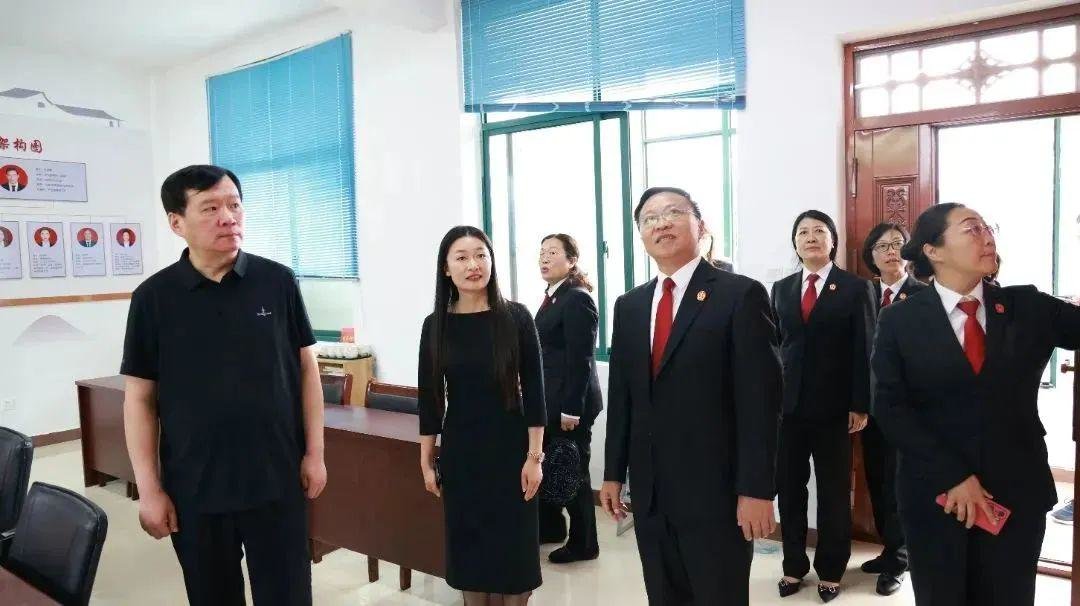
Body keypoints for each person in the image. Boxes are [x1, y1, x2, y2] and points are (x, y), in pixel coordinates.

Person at [120, 164, 325, 606]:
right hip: (195, 488)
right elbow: (139, 399)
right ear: (177, 223)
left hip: (276, 479)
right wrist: (149, 490)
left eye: (234, 205)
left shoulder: (277, 282)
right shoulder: (154, 298)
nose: (228, 217)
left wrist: (316, 453)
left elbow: (306, 370)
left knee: (288, 596)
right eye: (210, 208)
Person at [872, 203, 1080, 605]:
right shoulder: (900, 321)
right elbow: (891, 407)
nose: (987, 237)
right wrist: (953, 476)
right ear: (933, 250)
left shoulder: (1027, 306)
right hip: (936, 493)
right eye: (972, 229)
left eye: (988, 228)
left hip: (1015, 490)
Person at [601, 186, 782, 605]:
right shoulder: (630, 306)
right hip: (651, 492)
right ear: (641, 235)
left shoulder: (740, 295)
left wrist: (757, 490)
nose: (661, 223)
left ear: (700, 226)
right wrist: (613, 472)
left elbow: (761, 402)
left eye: (673, 212)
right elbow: (623, 398)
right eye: (649, 218)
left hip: (717, 494)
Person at [418, 225, 546, 605]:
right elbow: (430, 399)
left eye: (481, 255)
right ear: (446, 268)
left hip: (512, 452)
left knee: (515, 555)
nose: (473, 265)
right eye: (462, 257)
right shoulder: (436, 325)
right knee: (470, 554)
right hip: (462, 454)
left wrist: (535, 457)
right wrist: (426, 460)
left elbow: (536, 392)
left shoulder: (516, 317)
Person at [771, 210, 873, 602]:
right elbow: (775, 347)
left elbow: (865, 349)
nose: (811, 237)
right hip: (788, 410)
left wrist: (860, 403)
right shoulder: (781, 288)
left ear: (833, 241)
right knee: (789, 490)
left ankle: (831, 569)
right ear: (795, 243)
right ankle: (793, 565)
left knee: (833, 493)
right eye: (803, 232)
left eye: (819, 231)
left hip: (835, 410)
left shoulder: (854, 288)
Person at [857, 221, 927, 596]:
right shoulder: (863, 294)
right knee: (878, 482)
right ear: (871, 255)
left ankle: (900, 559)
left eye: (897, 244)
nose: (890, 251)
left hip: (908, 410)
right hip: (870, 409)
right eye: (881, 246)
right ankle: (889, 549)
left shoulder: (922, 295)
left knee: (901, 485)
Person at [535, 233, 603, 563]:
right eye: (541, 253)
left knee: (572, 470)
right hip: (552, 401)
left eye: (552, 252)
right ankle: (551, 528)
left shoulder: (576, 298)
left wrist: (572, 409)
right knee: (553, 466)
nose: (544, 258)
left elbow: (581, 358)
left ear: (572, 261)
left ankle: (584, 544)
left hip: (570, 405)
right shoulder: (553, 297)